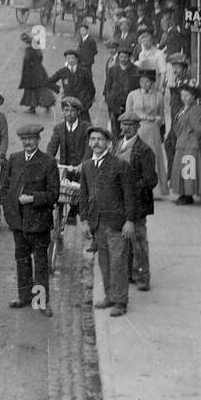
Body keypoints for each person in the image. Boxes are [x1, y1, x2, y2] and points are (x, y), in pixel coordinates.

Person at [0, 122, 60, 316]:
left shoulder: (48, 162)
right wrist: (10, 214)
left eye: (31, 139)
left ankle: (41, 301)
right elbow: (5, 188)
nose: (27, 143)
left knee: (41, 263)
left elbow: (54, 194)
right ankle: (24, 296)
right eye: (24, 139)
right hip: (19, 223)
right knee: (22, 260)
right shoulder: (14, 159)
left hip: (39, 223)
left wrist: (33, 198)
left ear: (38, 140)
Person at [79, 125, 137, 317]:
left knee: (118, 262)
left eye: (100, 139)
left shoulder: (120, 165)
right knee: (104, 262)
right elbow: (83, 195)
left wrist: (130, 221)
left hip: (117, 224)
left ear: (109, 143)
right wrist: (85, 220)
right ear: (89, 143)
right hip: (97, 224)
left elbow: (130, 196)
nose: (96, 143)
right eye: (93, 139)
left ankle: (120, 302)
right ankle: (110, 296)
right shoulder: (87, 166)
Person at [114, 110, 157, 292]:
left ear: (138, 128)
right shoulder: (117, 145)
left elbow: (151, 179)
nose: (126, 128)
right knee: (125, 240)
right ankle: (131, 273)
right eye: (124, 125)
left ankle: (143, 277)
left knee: (139, 241)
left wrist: (131, 189)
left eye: (131, 126)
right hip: (120, 202)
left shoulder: (144, 150)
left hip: (138, 203)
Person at [124, 65, 170, 200]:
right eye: (142, 81)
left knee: (152, 159)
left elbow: (161, 116)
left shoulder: (159, 96)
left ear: (153, 82)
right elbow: (128, 114)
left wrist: (157, 119)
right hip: (137, 130)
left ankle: (152, 191)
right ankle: (134, 188)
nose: (145, 84)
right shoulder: (132, 95)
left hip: (152, 131)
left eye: (148, 81)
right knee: (136, 157)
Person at [169, 83, 201, 205]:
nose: (184, 98)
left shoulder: (195, 109)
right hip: (182, 143)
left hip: (190, 145)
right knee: (181, 169)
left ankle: (187, 195)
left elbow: (199, 129)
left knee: (187, 171)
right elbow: (178, 127)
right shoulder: (184, 109)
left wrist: (192, 137)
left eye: (187, 95)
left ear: (194, 97)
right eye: (182, 95)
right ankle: (183, 194)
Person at [49, 49, 96, 120]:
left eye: (72, 58)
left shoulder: (84, 72)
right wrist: (59, 89)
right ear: (66, 59)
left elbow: (91, 89)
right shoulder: (63, 71)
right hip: (67, 105)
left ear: (76, 59)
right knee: (68, 126)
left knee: (83, 127)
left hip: (81, 105)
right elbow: (49, 82)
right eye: (68, 58)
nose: (71, 60)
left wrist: (86, 102)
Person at [18, 33, 54, 114]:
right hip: (40, 71)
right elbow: (40, 57)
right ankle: (47, 104)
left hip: (31, 73)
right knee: (42, 88)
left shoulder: (29, 50)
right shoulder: (36, 48)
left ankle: (32, 108)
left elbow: (27, 60)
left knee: (31, 91)